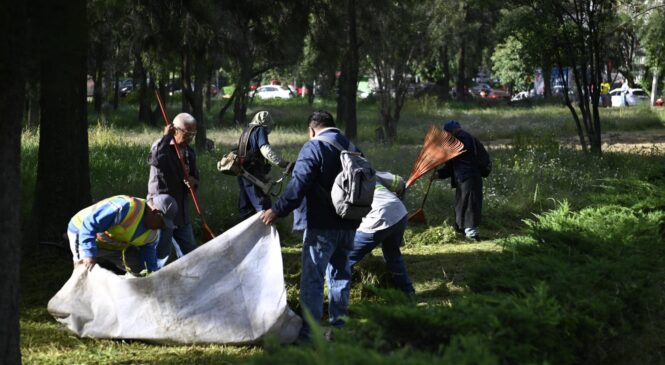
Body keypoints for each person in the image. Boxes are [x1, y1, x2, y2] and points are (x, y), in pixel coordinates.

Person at [260, 110, 359, 340]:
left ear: (312, 129)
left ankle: (308, 334)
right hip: (349, 224)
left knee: (313, 279)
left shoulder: (313, 147)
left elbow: (298, 185)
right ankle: (340, 327)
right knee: (341, 276)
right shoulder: (351, 147)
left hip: (320, 224)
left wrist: (277, 210)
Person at [67, 194, 178, 273]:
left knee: (138, 268)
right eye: (162, 223)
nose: (162, 228)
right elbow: (89, 224)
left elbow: (149, 254)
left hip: (110, 244)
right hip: (81, 231)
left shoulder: (153, 234)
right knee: (85, 271)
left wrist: (153, 273)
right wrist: (89, 253)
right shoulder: (126, 208)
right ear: (154, 212)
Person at [347, 171, 415, 297]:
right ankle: (408, 293)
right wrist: (400, 197)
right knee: (393, 255)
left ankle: (340, 297)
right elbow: (399, 181)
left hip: (378, 218)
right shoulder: (366, 171)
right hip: (399, 213)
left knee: (345, 257)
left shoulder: (334, 180)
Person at [148, 112, 199, 267]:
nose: (190, 138)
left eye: (193, 134)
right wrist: (166, 137)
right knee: (161, 255)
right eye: (187, 133)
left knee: (191, 254)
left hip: (182, 213)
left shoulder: (189, 153)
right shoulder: (161, 146)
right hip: (162, 210)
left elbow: (196, 178)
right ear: (175, 130)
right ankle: (153, 281)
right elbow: (154, 160)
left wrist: (192, 182)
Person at [236, 110, 293, 220]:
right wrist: (283, 163)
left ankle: (247, 235)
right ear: (266, 122)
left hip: (241, 171)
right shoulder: (260, 129)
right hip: (253, 174)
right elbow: (266, 151)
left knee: (246, 206)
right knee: (262, 205)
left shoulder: (247, 130)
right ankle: (265, 234)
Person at [433, 120, 484, 241]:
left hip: (470, 177)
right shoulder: (459, 140)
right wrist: (439, 174)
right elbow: (451, 166)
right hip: (463, 178)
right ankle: (463, 231)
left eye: (447, 133)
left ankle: (471, 233)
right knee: (461, 205)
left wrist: (440, 152)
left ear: (452, 131)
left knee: (470, 204)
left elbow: (457, 150)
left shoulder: (464, 138)